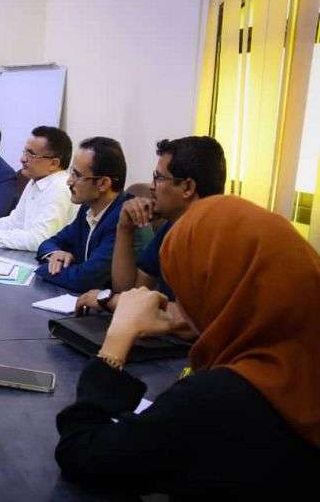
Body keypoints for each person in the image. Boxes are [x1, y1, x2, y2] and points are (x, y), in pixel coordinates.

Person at [55, 195, 320, 498]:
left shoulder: (221, 398)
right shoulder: (297, 364)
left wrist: (115, 344)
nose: (182, 301)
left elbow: (82, 455)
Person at [75, 136, 226, 314]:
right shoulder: (172, 226)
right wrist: (125, 228)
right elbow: (130, 291)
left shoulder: (216, 237)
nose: (152, 187)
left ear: (187, 188)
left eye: (158, 178)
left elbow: (193, 318)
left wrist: (108, 299)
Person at [35, 137, 132, 292]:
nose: (69, 181)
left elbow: (85, 280)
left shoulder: (123, 219)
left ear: (103, 184)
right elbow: (50, 243)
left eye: (77, 175)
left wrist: (45, 269)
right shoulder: (88, 208)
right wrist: (56, 254)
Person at [0, 126, 77, 251]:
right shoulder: (36, 181)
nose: (23, 159)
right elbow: (16, 221)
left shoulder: (60, 188)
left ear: (53, 163)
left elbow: (40, 240)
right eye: (25, 152)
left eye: (31, 154)